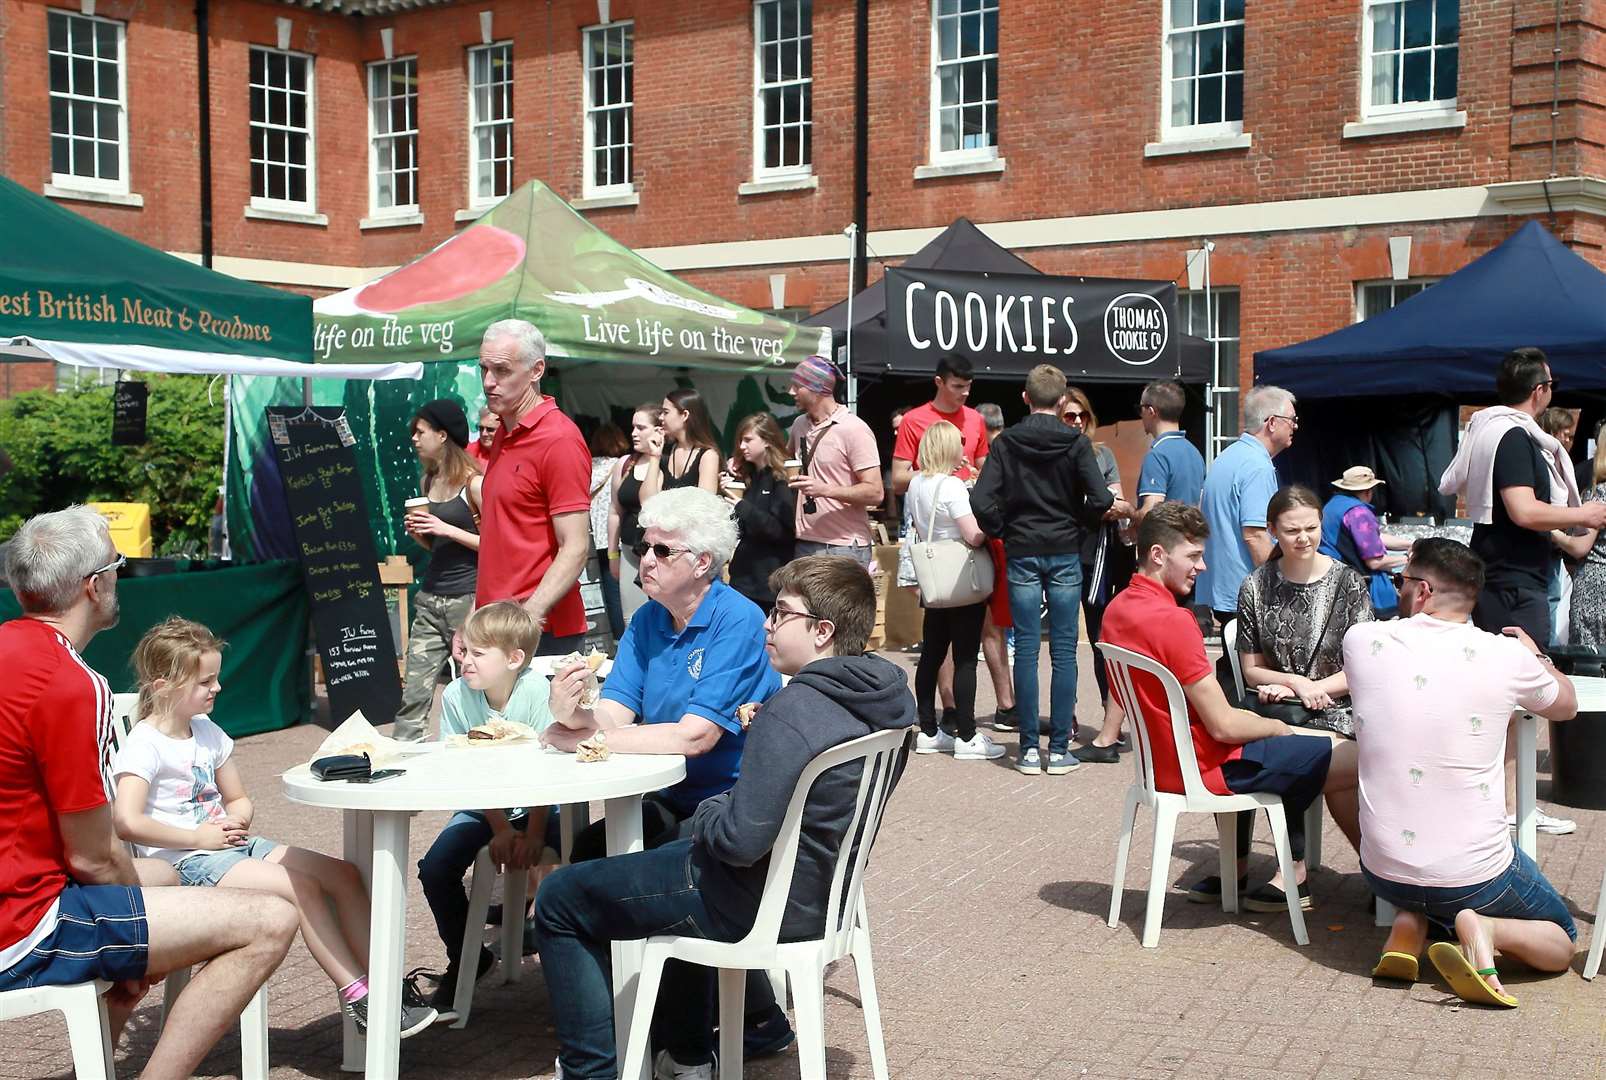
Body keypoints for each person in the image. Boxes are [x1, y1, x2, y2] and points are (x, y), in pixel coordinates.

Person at [535, 555, 914, 1080]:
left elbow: (738, 841)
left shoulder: (797, 707)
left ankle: (590, 1071)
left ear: (822, 631)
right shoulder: (883, 698)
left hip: (756, 899)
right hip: (823, 893)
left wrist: (714, 804)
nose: (768, 624)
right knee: (668, 856)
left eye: (782, 614)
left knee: (559, 898)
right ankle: (686, 1054)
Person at [0, 507, 297, 1079]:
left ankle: (105, 1053)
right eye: (117, 565)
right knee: (271, 919)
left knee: (168, 876)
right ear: (95, 586)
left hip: (22, 892)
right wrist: (132, 943)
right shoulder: (70, 683)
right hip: (25, 924)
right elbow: (92, 855)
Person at [112, 618, 439, 1039]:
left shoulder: (207, 730)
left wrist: (239, 816)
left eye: (216, 678)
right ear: (163, 686)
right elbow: (128, 821)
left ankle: (391, 990)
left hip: (229, 846)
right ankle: (361, 997)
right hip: (189, 861)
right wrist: (200, 838)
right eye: (205, 681)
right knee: (300, 886)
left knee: (343, 874)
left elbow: (239, 798)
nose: (217, 688)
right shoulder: (145, 744)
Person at [1347, 538, 1579, 1007]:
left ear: (1424, 591)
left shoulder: (1362, 640)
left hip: (1383, 870)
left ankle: (1410, 925)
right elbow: (1567, 707)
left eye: (1402, 580)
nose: (1398, 589)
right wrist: (1537, 657)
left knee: (1427, 855)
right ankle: (1483, 926)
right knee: (1562, 940)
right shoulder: (1504, 656)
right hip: (1475, 876)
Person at [1100, 501, 1362, 905]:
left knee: (1313, 744)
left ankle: (1335, 873)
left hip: (1160, 770)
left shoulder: (1117, 610)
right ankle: (1398, 883)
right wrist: (1280, 730)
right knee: (1369, 759)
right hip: (1211, 767)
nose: (1201, 566)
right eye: (1193, 556)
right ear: (1157, 554)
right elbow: (1223, 726)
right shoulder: (1173, 621)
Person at [544, 488, 782, 860]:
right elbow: (612, 714)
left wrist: (587, 740)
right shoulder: (645, 620)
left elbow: (695, 737)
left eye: (662, 551)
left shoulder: (737, 618)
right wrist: (569, 713)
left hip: (731, 804)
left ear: (703, 563)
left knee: (602, 875)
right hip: (672, 791)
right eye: (644, 547)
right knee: (585, 853)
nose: (647, 561)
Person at [1438, 347, 1604, 835]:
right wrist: (1583, 515)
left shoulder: (1491, 429)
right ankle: (1513, 808)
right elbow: (1523, 510)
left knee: (1510, 697)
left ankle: (1510, 803)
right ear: (1540, 391)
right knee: (1521, 693)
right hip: (1513, 578)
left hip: (1511, 573)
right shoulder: (1512, 436)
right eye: (1552, 385)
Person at [1229, 485, 1373, 910]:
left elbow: (1361, 669)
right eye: (1291, 530)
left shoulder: (1349, 583)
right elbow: (1252, 668)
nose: (1303, 538)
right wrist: (1291, 683)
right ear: (1272, 530)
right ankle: (1262, 867)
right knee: (1257, 747)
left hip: (1339, 709)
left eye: (1311, 528)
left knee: (1291, 753)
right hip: (1280, 706)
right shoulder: (1255, 586)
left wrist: (1308, 688)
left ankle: (1299, 870)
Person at [416, 602, 561, 1013]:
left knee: (580, 853)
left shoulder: (537, 692)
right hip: (483, 807)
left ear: (514, 659)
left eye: (479, 654)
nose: (465, 662)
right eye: (463, 651)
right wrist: (499, 827)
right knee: (436, 868)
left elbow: (548, 770)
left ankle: (579, 960)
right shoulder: (457, 698)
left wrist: (532, 834)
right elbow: (465, 771)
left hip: (540, 803)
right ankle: (466, 955)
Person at [971, 364, 1113, 775]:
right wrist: (1079, 525)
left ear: (1025, 397)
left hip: (1023, 550)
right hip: (1064, 550)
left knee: (1028, 651)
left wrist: (1005, 530)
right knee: (1065, 652)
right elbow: (1101, 498)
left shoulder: (1007, 442)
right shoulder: (1075, 442)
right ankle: (1059, 750)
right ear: (1064, 400)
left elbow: (981, 501)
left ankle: (1029, 748)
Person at [476, 319, 594, 654]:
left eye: (501, 370)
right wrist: (476, 618)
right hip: (496, 626)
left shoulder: (559, 439)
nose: (488, 382)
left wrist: (529, 618)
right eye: (484, 368)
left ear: (536, 370)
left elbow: (574, 547)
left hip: (541, 633)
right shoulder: (504, 431)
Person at [907, 421, 1005, 761]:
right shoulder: (951, 486)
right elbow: (973, 535)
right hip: (960, 578)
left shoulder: (917, 484)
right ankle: (967, 734)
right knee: (965, 657)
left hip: (934, 577)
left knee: (932, 652)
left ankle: (929, 730)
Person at [396, 399, 483, 742]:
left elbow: (497, 545)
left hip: (469, 599)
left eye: (420, 432)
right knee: (413, 695)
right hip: (431, 597)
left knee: (476, 690)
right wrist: (421, 534)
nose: (414, 439)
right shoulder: (427, 482)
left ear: (443, 435)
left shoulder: (474, 485)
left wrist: (445, 528)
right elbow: (439, 547)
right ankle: (404, 772)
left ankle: (481, 762)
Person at [1059, 387, 1137, 765]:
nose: (1076, 422)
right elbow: (1101, 503)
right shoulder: (1053, 455)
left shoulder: (1100, 454)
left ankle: (1111, 719)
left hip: (1097, 559)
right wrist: (1096, 503)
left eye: (1081, 416)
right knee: (1062, 641)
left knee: (1100, 640)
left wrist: (1092, 504)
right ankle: (1065, 717)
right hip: (1059, 555)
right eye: (1068, 416)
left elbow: (1117, 505)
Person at [1198, 384, 1298, 625]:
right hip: (1249, 595)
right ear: (1272, 422)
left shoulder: (1228, 456)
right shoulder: (1257, 467)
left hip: (1224, 591)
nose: (1295, 426)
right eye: (1292, 420)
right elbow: (1256, 536)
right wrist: (1282, 590)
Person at [786, 355, 884, 566]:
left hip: (843, 546)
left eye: (797, 386)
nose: (791, 392)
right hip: (804, 542)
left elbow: (876, 492)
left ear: (817, 389)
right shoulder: (799, 425)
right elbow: (782, 463)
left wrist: (825, 489)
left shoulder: (853, 428)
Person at [723, 412, 796, 615]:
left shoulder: (780, 478)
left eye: (748, 440)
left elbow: (781, 531)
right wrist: (730, 490)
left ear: (766, 441)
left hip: (767, 583)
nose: (741, 446)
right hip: (742, 578)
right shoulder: (748, 476)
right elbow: (738, 527)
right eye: (740, 441)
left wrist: (742, 506)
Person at [975, 402, 1019, 733]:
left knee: (996, 629)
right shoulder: (1010, 448)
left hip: (1001, 548)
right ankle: (1010, 705)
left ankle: (1009, 705)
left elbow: (985, 501)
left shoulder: (1000, 451)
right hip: (1007, 547)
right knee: (1000, 629)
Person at [1318, 465, 1411, 619]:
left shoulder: (1333, 505)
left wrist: (1410, 544)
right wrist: (1409, 559)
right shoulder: (1358, 512)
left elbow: (1373, 537)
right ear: (1368, 491)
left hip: (1334, 579)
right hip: (1358, 586)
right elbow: (1374, 562)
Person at [890, 354, 989, 494]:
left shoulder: (976, 419)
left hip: (968, 508)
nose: (965, 392)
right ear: (939, 382)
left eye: (968, 385)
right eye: (958, 386)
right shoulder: (912, 420)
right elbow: (898, 482)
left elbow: (984, 471)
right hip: (930, 509)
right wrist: (940, 469)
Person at [610, 403, 664, 625]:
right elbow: (615, 510)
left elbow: (650, 503)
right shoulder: (625, 463)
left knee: (660, 617)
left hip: (659, 554)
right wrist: (612, 554)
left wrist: (654, 457)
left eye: (641, 427)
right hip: (628, 550)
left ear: (659, 430)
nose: (633, 433)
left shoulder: (665, 463)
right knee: (631, 620)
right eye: (633, 427)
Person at [1134, 379, 1205, 519]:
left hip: (1165, 539)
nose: (1140, 414)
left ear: (1151, 411)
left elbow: (1150, 513)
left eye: (1140, 408)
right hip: (1191, 538)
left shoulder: (1157, 455)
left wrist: (1128, 512)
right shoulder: (1194, 453)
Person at [1540, 406, 1580, 645]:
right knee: (1547, 600)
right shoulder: (1542, 462)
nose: (1566, 439)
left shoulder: (1566, 465)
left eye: (1570, 435)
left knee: (1554, 600)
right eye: (1561, 433)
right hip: (1540, 544)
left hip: (1556, 549)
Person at [588, 421, 630, 641]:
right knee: (615, 590)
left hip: (590, 537)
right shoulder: (621, 465)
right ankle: (619, 636)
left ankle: (599, 636)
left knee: (596, 590)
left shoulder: (587, 466)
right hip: (611, 536)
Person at [1563, 436, 1606, 647]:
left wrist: (1551, 531)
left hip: (1595, 586)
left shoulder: (1599, 496)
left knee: (1589, 661)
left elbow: (1580, 547)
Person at [645, 387, 721, 498]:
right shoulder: (664, 451)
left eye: (666, 412)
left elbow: (705, 506)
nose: (661, 417)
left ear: (685, 415)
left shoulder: (707, 456)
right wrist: (654, 456)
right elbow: (646, 500)